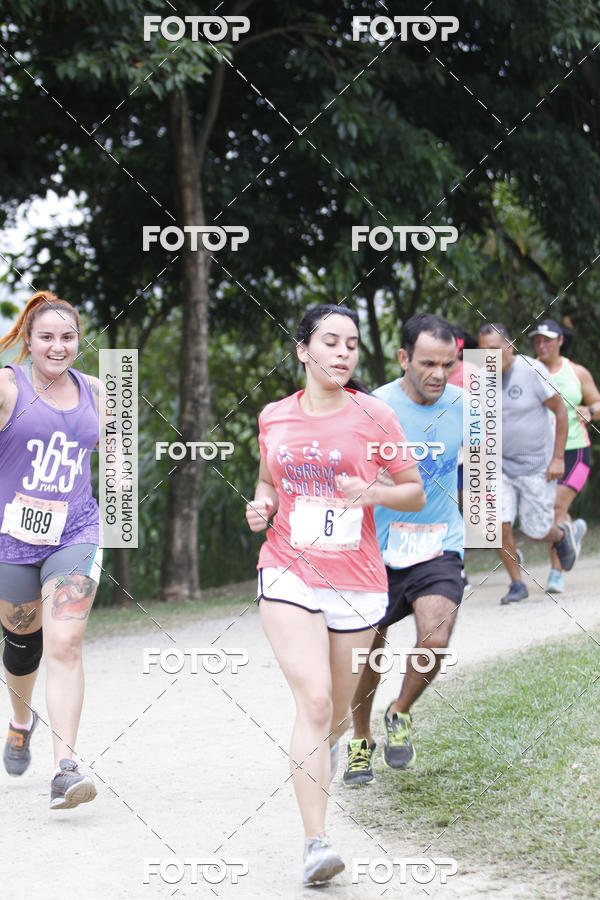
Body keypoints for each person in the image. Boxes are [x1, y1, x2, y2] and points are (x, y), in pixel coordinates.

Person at [245, 305, 425, 885]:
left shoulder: (375, 415)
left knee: (338, 719)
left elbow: (414, 492)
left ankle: (321, 756)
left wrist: (369, 491)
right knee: (316, 702)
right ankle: (315, 843)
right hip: (287, 572)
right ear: (303, 350)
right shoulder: (274, 416)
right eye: (331, 342)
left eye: (351, 344)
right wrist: (262, 506)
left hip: (358, 584)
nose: (344, 353)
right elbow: (269, 481)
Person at [344, 313, 464, 786]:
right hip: (376, 549)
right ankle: (360, 737)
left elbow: (480, 468)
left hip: (438, 544)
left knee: (435, 639)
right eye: (428, 363)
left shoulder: (465, 406)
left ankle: (400, 711)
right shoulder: (373, 407)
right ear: (404, 358)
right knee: (366, 653)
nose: (438, 374)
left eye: (448, 364)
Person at [0, 290, 102, 808]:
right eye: (47, 337)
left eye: (68, 337)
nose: (58, 347)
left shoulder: (101, 392)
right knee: (23, 646)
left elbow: (121, 467)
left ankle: (66, 767)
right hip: (10, 541)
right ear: (29, 341)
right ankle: (21, 721)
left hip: (74, 533)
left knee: (65, 643)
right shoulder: (6, 385)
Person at [477, 323, 581, 604]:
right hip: (499, 466)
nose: (489, 356)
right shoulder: (479, 378)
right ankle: (517, 584)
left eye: (494, 349)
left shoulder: (532, 370)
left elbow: (560, 412)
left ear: (509, 347)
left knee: (537, 531)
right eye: (483, 350)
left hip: (537, 464)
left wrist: (558, 458)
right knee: (495, 524)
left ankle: (560, 534)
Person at [531, 319, 599, 592]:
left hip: (576, 451)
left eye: (547, 339)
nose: (541, 345)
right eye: (537, 340)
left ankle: (557, 572)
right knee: (550, 512)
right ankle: (574, 530)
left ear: (560, 341)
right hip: (541, 453)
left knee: (556, 507)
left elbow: (598, 402)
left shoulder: (577, 372)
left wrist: (590, 411)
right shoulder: (528, 372)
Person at [448, 325, 479, 592]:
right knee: (449, 509)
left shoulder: (471, 373)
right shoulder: (430, 373)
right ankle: (459, 569)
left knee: (470, 511)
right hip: (442, 451)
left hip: (469, 452)